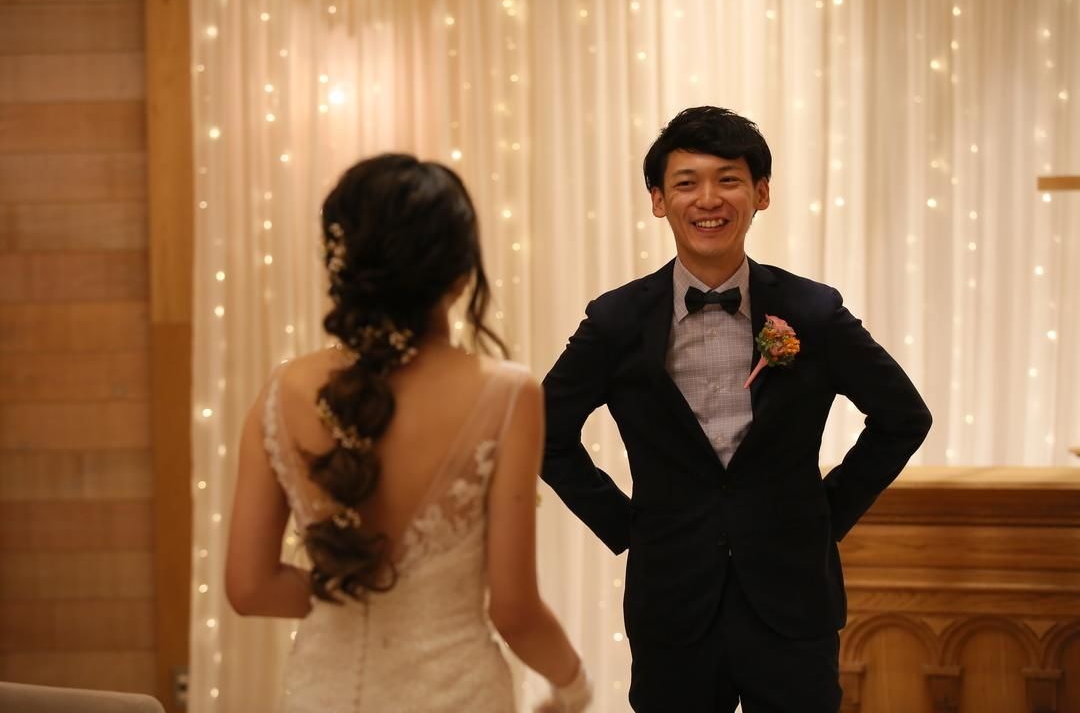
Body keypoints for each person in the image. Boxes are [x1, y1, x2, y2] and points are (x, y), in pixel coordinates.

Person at [541, 107, 932, 712]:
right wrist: (627, 526)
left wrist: (825, 515)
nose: (708, 199)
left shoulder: (813, 313)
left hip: (793, 602)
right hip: (672, 603)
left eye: (728, 179)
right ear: (658, 200)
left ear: (761, 193)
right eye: (686, 182)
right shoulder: (617, 321)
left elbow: (904, 418)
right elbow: (543, 433)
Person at [225, 153, 592, 712]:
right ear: (460, 275)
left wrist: (356, 596)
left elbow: (249, 588)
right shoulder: (507, 394)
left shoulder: (283, 391)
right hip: (455, 695)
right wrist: (574, 685)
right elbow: (514, 610)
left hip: (323, 694)